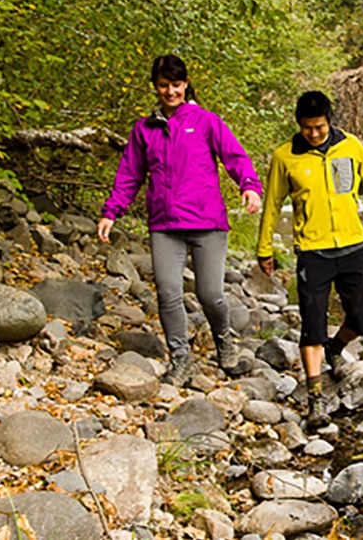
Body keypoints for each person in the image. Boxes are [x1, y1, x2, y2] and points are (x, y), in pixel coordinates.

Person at [97, 54, 263, 385]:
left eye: (176, 85)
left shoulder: (206, 121)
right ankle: (181, 358)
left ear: (185, 84)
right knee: (168, 293)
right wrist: (111, 212)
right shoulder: (144, 129)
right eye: (163, 86)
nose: (170, 92)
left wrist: (250, 187)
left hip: (208, 224)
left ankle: (223, 339)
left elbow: (235, 157)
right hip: (165, 225)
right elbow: (129, 174)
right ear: (155, 87)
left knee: (210, 294)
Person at [256, 90, 363, 429]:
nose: (313, 134)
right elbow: (271, 204)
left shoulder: (351, 146)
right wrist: (264, 247)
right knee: (312, 326)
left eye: (320, 127)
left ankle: (335, 348)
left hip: (352, 245)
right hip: (313, 252)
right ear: (298, 124)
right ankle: (315, 401)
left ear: (330, 122)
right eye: (307, 128)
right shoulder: (285, 157)